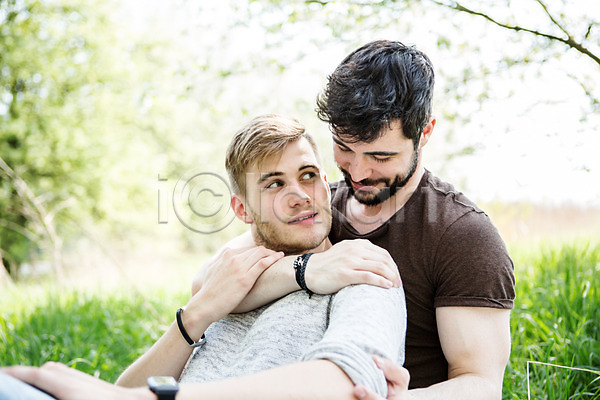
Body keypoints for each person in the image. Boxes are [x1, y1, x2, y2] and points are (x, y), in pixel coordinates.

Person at [1, 114, 406, 400]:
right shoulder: (231, 277)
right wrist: (195, 315)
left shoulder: (360, 270)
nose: (300, 195)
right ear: (242, 210)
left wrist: (163, 397)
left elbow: (347, 382)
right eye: (273, 184)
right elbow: (121, 392)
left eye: (308, 175)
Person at [197, 40, 516, 399]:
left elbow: (481, 384)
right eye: (344, 149)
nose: (359, 173)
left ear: (424, 133)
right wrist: (308, 270)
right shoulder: (314, 209)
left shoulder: (463, 236)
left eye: (380, 156)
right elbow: (207, 283)